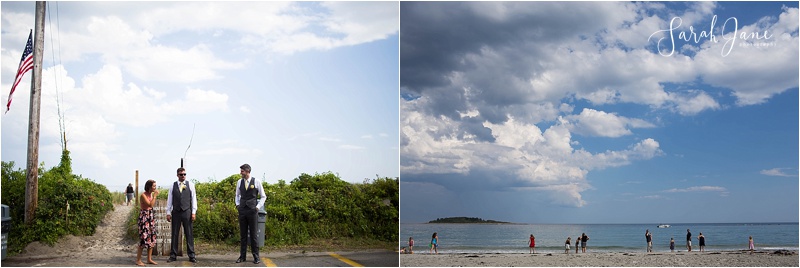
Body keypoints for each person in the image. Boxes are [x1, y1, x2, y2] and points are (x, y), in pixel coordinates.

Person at [235, 164, 266, 264]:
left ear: (247, 171)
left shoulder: (256, 181)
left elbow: (263, 196)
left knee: (254, 235)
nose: (240, 173)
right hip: (242, 210)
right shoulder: (239, 182)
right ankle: (242, 256)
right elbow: (237, 195)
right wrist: (238, 205)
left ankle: (256, 256)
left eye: (242, 171)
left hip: (252, 211)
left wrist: (257, 207)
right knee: (243, 235)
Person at [166, 167, 197, 263]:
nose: (183, 176)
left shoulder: (190, 184)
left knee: (189, 233)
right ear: (177, 175)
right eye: (181, 174)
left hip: (187, 211)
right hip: (176, 212)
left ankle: (191, 255)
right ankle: (173, 255)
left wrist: (193, 212)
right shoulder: (173, 185)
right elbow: (169, 199)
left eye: (184, 174)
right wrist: (168, 212)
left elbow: (193, 198)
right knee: (174, 234)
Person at [135, 180, 159, 266]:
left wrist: (153, 195)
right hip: (144, 217)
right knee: (143, 238)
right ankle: (138, 260)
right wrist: (155, 196)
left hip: (150, 216)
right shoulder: (143, 195)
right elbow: (150, 205)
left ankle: (149, 259)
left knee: (152, 237)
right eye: (153, 186)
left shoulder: (150, 194)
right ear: (149, 187)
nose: (155, 188)